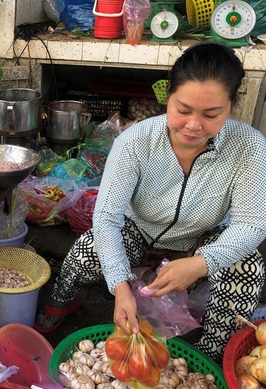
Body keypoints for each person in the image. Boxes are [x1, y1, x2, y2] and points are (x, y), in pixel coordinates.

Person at [35, 41, 266, 362]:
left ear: (231, 107)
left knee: (248, 266)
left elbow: (251, 223)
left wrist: (202, 263)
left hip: (202, 242)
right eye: (183, 110)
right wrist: (119, 286)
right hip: (140, 231)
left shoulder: (249, 147)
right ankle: (64, 299)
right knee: (87, 249)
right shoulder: (136, 142)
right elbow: (106, 219)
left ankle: (211, 353)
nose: (194, 125)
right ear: (167, 96)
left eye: (212, 114)